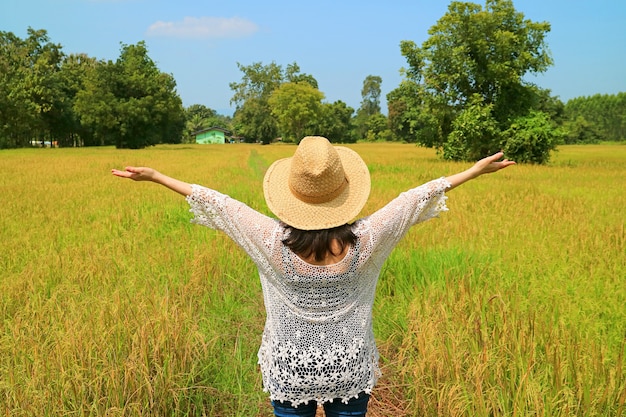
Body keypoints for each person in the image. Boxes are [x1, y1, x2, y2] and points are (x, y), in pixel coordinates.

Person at [112, 136, 515, 417]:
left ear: (292, 194)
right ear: (343, 191)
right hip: (351, 366)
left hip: (289, 368)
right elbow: (415, 198)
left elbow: (220, 203)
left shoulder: (270, 240)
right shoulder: (367, 239)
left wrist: (159, 177)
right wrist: (474, 171)